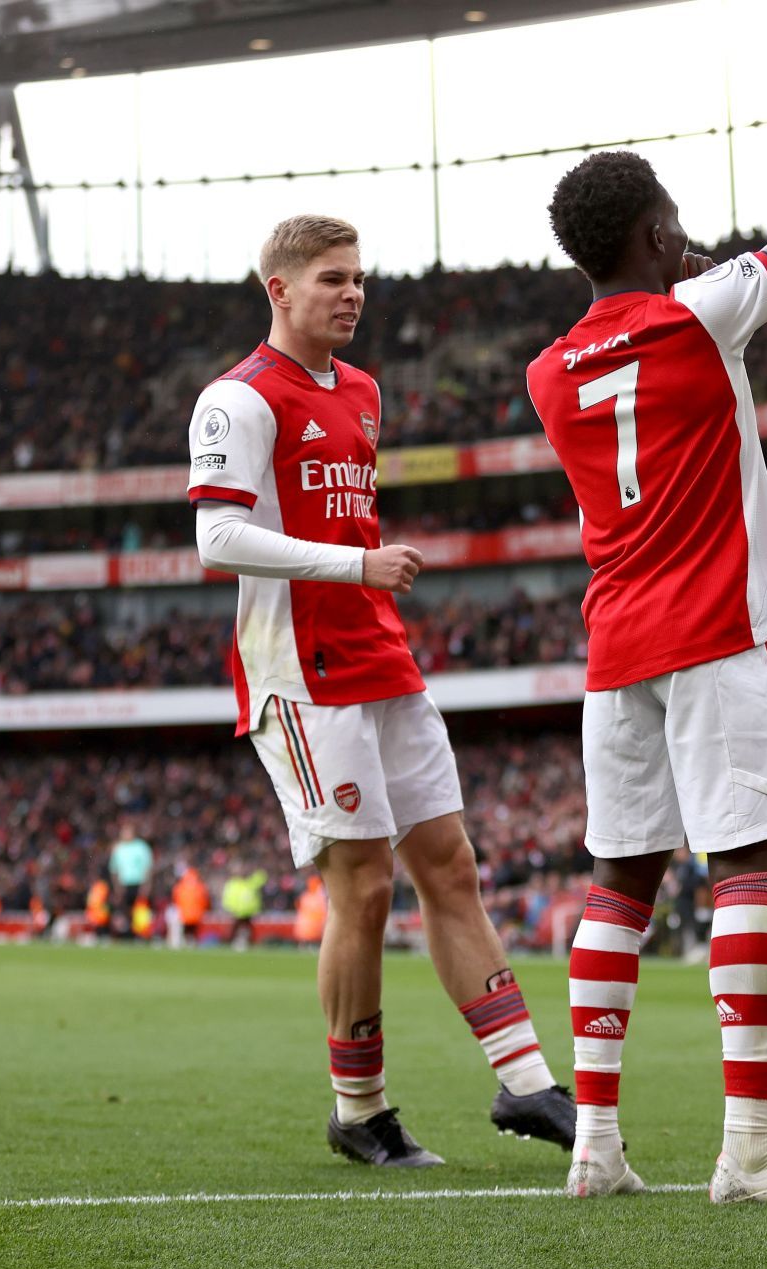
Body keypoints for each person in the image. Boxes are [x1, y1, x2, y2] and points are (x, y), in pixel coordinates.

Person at [528, 124, 767, 1204]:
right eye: (677, 224)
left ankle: (594, 1145)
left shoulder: (548, 371)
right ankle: (749, 1147)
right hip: (719, 628)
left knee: (621, 880)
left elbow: (642, 333)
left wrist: (673, 272)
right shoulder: (705, 313)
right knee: (749, 864)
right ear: (658, 231)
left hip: (616, 650)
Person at [188, 214, 575, 1168]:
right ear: (276, 289)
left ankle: (526, 1083)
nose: (352, 294)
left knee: (450, 863)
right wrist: (356, 568)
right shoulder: (235, 401)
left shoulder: (361, 392)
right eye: (331, 279)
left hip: (380, 656)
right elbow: (219, 540)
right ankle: (358, 1108)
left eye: (359, 278)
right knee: (361, 887)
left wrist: (363, 580)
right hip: (302, 671)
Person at [108, 822, 155, 940]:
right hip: (124, 884)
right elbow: (114, 869)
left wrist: (146, 885)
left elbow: (148, 867)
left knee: (140, 911)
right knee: (124, 910)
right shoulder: (119, 848)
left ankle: (141, 935)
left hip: (138, 883)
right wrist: (117, 886)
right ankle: (125, 934)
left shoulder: (141, 847)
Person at [170, 864, 210, 949]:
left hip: (183, 913)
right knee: (193, 930)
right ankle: (192, 942)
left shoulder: (180, 886)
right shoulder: (200, 886)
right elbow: (205, 899)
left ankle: (183, 941)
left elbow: (175, 899)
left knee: (184, 929)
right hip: (197, 913)